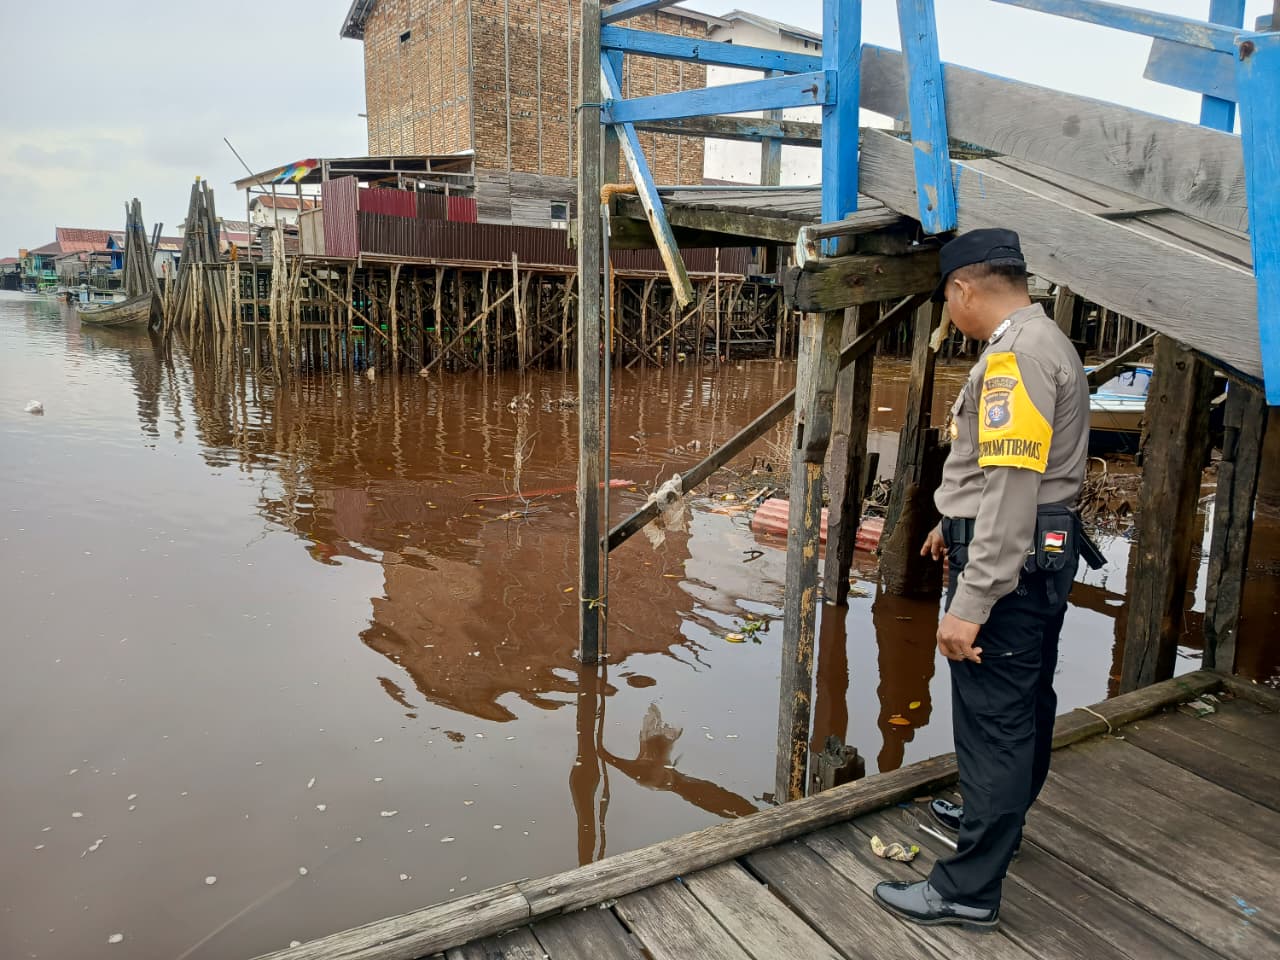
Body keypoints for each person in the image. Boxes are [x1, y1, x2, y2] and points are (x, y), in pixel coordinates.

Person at [872, 228, 1098, 929]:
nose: (951, 317)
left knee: (995, 720)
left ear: (965, 289)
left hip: (1009, 564)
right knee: (1024, 700)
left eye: (948, 302)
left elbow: (1008, 485)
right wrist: (951, 520)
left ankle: (967, 889)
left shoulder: (1014, 359)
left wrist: (970, 602)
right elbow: (1002, 474)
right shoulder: (1045, 340)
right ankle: (995, 820)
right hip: (1035, 549)